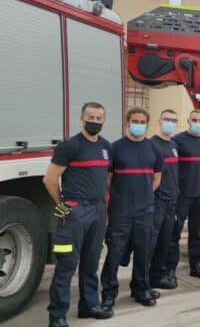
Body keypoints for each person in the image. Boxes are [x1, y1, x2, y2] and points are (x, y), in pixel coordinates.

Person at [43, 102, 113, 327]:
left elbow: (106, 177)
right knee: (66, 265)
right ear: (81, 119)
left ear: (104, 121)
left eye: (99, 118)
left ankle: (89, 305)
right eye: (90, 117)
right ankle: (57, 315)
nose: (95, 121)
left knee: (91, 262)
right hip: (74, 210)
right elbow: (50, 180)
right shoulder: (70, 146)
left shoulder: (106, 147)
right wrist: (64, 207)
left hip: (98, 210)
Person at [100, 107, 163, 308]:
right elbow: (108, 179)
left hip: (145, 210)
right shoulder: (115, 148)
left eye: (142, 121)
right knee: (115, 252)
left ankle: (141, 289)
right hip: (120, 211)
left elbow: (157, 179)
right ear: (127, 122)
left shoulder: (154, 149)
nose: (138, 124)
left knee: (144, 252)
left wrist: (143, 195)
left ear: (147, 123)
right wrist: (123, 196)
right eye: (135, 121)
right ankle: (109, 292)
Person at [169, 109, 200, 281]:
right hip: (182, 195)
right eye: (194, 120)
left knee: (196, 234)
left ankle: (196, 266)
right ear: (188, 121)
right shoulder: (177, 141)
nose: (197, 123)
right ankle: (170, 268)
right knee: (175, 232)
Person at [149, 109, 180, 289]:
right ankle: (146, 277)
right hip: (157, 200)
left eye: (173, 120)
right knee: (152, 240)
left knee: (166, 240)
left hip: (172, 200)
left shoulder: (174, 145)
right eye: (167, 119)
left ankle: (158, 275)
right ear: (159, 121)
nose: (170, 123)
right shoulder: (152, 144)